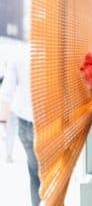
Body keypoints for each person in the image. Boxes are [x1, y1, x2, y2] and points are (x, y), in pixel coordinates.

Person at [0, 43, 41, 206]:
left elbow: (6, 94)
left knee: (33, 171)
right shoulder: (51, 55)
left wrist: (2, 123)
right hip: (47, 123)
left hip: (25, 124)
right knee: (51, 173)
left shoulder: (19, 55)